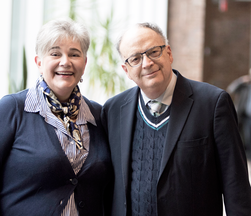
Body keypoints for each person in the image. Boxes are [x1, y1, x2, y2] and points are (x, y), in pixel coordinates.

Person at [0, 19, 112, 216]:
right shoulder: (14, 108)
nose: (65, 61)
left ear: (84, 64)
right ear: (39, 63)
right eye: (55, 53)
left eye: (74, 54)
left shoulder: (98, 116)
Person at [101, 22, 251, 216]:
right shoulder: (113, 110)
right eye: (136, 58)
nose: (146, 63)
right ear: (126, 70)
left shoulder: (212, 104)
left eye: (153, 51)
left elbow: (236, 187)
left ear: (169, 53)